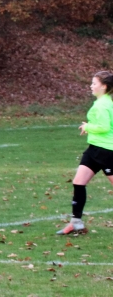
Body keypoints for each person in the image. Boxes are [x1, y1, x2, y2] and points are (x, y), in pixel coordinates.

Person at [57, 70, 113, 235]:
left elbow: (104, 127)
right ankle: (76, 223)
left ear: (104, 86)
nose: (91, 86)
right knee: (78, 182)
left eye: (94, 83)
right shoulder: (102, 102)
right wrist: (90, 127)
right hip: (94, 149)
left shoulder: (103, 104)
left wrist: (88, 126)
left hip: (107, 151)